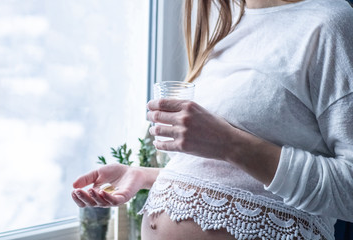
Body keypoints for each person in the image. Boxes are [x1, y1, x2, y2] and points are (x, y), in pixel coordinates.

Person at [72, 0, 353, 239]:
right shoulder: (227, 27)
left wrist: (228, 143)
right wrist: (145, 176)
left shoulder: (331, 24)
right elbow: (238, 180)